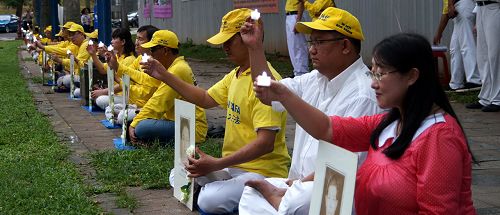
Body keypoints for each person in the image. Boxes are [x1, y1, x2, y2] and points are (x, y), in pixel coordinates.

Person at [253, 33, 476, 215]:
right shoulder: (389, 122)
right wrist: (283, 94)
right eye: (373, 73)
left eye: (380, 75)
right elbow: (328, 129)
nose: (373, 84)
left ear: (411, 76)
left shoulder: (439, 137)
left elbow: (438, 211)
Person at [140, 8, 290, 214]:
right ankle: (210, 192)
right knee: (178, 173)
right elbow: (205, 98)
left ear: (249, 37)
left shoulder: (267, 82)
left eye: (230, 41)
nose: (224, 47)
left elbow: (265, 143)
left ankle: (213, 193)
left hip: (262, 172)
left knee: (210, 200)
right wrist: (164, 75)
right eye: (223, 41)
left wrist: (217, 163)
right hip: (233, 168)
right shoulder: (235, 75)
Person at [238, 7, 382, 214]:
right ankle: (282, 203)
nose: (311, 50)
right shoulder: (315, 79)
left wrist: (296, 188)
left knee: (299, 202)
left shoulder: (363, 93)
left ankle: (283, 203)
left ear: (344, 46)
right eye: (311, 42)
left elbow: (343, 166)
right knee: (251, 192)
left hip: (336, 187)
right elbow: (268, 93)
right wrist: (255, 48)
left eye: (319, 42)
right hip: (298, 184)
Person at [130, 30, 207, 145]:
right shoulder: (174, 67)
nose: (150, 54)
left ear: (165, 50)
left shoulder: (177, 70)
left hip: (191, 129)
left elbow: (158, 102)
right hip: (178, 121)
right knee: (138, 118)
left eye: (153, 50)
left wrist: (134, 125)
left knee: (141, 127)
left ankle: (149, 140)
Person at [106, 25, 161, 124]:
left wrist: (117, 71)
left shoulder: (156, 64)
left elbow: (144, 93)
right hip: (133, 101)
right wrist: (115, 67)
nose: (136, 42)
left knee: (122, 115)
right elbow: (133, 75)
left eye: (140, 39)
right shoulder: (140, 58)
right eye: (136, 38)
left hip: (145, 105)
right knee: (110, 109)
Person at [434, 0, 481, 91]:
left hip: (463, 5)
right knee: (455, 49)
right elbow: (445, 13)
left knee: (467, 44)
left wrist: (451, 4)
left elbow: (447, 10)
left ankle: (475, 80)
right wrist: (439, 33)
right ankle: (456, 83)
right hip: (458, 8)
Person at [88, 28, 137, 112]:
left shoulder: (130, 59)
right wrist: (93, 54)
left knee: (100, 100)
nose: (111, 41)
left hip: (126, 96)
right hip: (114, 94)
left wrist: (103, 91)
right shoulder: (117, 56)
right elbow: (103, 69)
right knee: (93, 95)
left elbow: (125, 84)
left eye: (114, 39)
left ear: (123, 42)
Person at [466, 0, 500, 112]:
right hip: (481, 7)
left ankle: (498, 99)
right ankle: (486, 97)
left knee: (495, 56)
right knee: (483, 57)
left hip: (495, 6)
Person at [285, 0, 309, 76]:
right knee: (292, 47)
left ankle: (302, 73)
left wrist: (298, 21)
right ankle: (297, 72)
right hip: (290, 16)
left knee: (299, 46)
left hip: (296, 16)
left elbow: (301, 2)